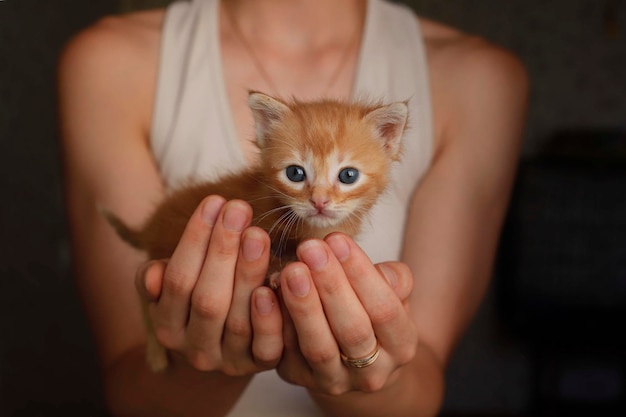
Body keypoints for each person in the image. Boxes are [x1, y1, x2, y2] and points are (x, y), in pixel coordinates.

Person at [57, 0, 528, 415]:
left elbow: (420, 391)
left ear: (389, 140)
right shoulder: (109, 62)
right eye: (298, 176)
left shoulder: (479, 78)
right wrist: (205, 359)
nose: (321, 200)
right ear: (264, 137)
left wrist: (367, 375)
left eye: (346, 178)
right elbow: (130, 395)